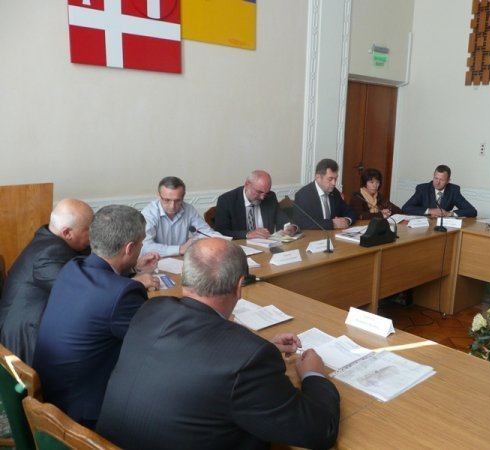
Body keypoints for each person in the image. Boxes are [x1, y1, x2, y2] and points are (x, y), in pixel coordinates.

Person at [97, 238, 340, 449]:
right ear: (239, 286)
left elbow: (199, 352)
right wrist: (313, 376)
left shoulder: (151, 308)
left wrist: (258, 347)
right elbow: (320, 432)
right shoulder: (248, 361)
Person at [33, 205, 160, 429]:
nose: (141, 247)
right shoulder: (122, 294)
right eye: (141, 243)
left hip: (54, 392)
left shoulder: (74, 267)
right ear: (130, 248)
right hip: (82, 413)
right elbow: (155, 342)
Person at [0, 199, 93, 364]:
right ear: (67, 233)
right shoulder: (50, 252)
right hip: (22, 342)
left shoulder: (49, 238)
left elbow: (89, 260)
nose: (93, 234)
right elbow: (80, 292)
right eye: (89, 229)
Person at [141, 176, 222, 257]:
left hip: (181, 259)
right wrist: (180, 249)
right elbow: (144, 246)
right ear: (158, 196)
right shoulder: (149, 213)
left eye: (177, 200)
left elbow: (206, 233)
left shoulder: (189, 209)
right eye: (167, 200)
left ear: (183, 196)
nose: (172, 206)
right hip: (155, 260)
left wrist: (221, 240)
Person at [215, 170, 298, 239]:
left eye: (266, 193)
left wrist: (292, 227)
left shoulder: (270, 197)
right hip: (241, 248)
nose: (262, 197)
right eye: (259, 192)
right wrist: (247, 234)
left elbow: (282, 218)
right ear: (247, 184)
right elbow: (221, 232)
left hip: (267, 246)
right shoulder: (226, 200)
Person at [293, 158, 356, 230]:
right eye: (330, 179)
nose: (334, 183)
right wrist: (332, 224)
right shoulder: (303, 195)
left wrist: (347, 220)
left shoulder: (334, 192)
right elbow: (301, 222)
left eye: (335, 179)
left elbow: (350, 211)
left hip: (334, 234)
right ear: (318, 177)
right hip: (314, 236)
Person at [402, 165, 478, 217]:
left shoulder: (453, 190)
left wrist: (450, 214)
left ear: (448, 181)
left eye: (441, 180)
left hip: (443, 227)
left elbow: (472, 211)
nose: (437, 182)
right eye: (435, 178)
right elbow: (406, 208)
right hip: (425, 225)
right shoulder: (423, 189)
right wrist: (430, 211)